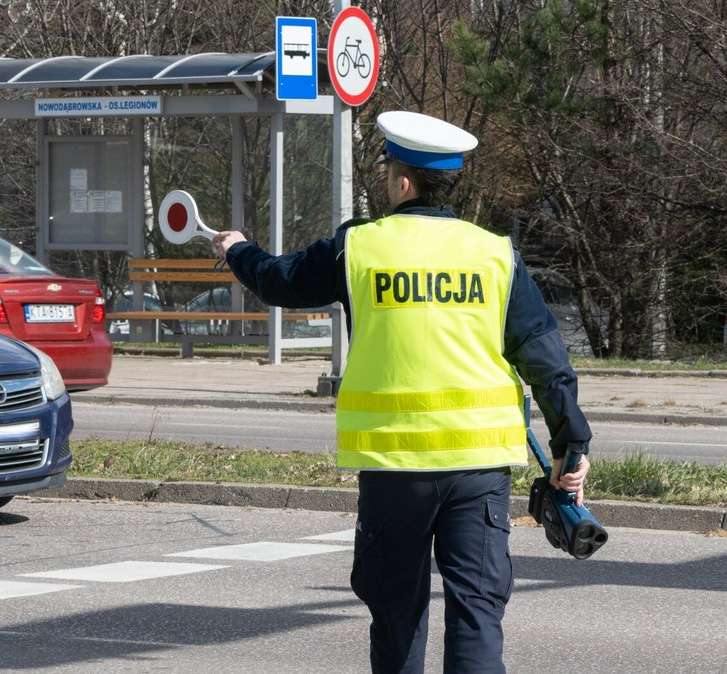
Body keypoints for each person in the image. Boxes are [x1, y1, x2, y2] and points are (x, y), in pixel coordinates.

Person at [212, 110, 592, 673]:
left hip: (394, 466)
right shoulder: (495, 254)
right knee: (478, 613)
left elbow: (278, 280)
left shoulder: (360, 247)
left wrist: (237, 249)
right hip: (479, 469)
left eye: (390, 167)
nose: (388, 176)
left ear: (405, 181)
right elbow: (547, 362)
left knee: (395, 614)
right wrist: (571, 447)